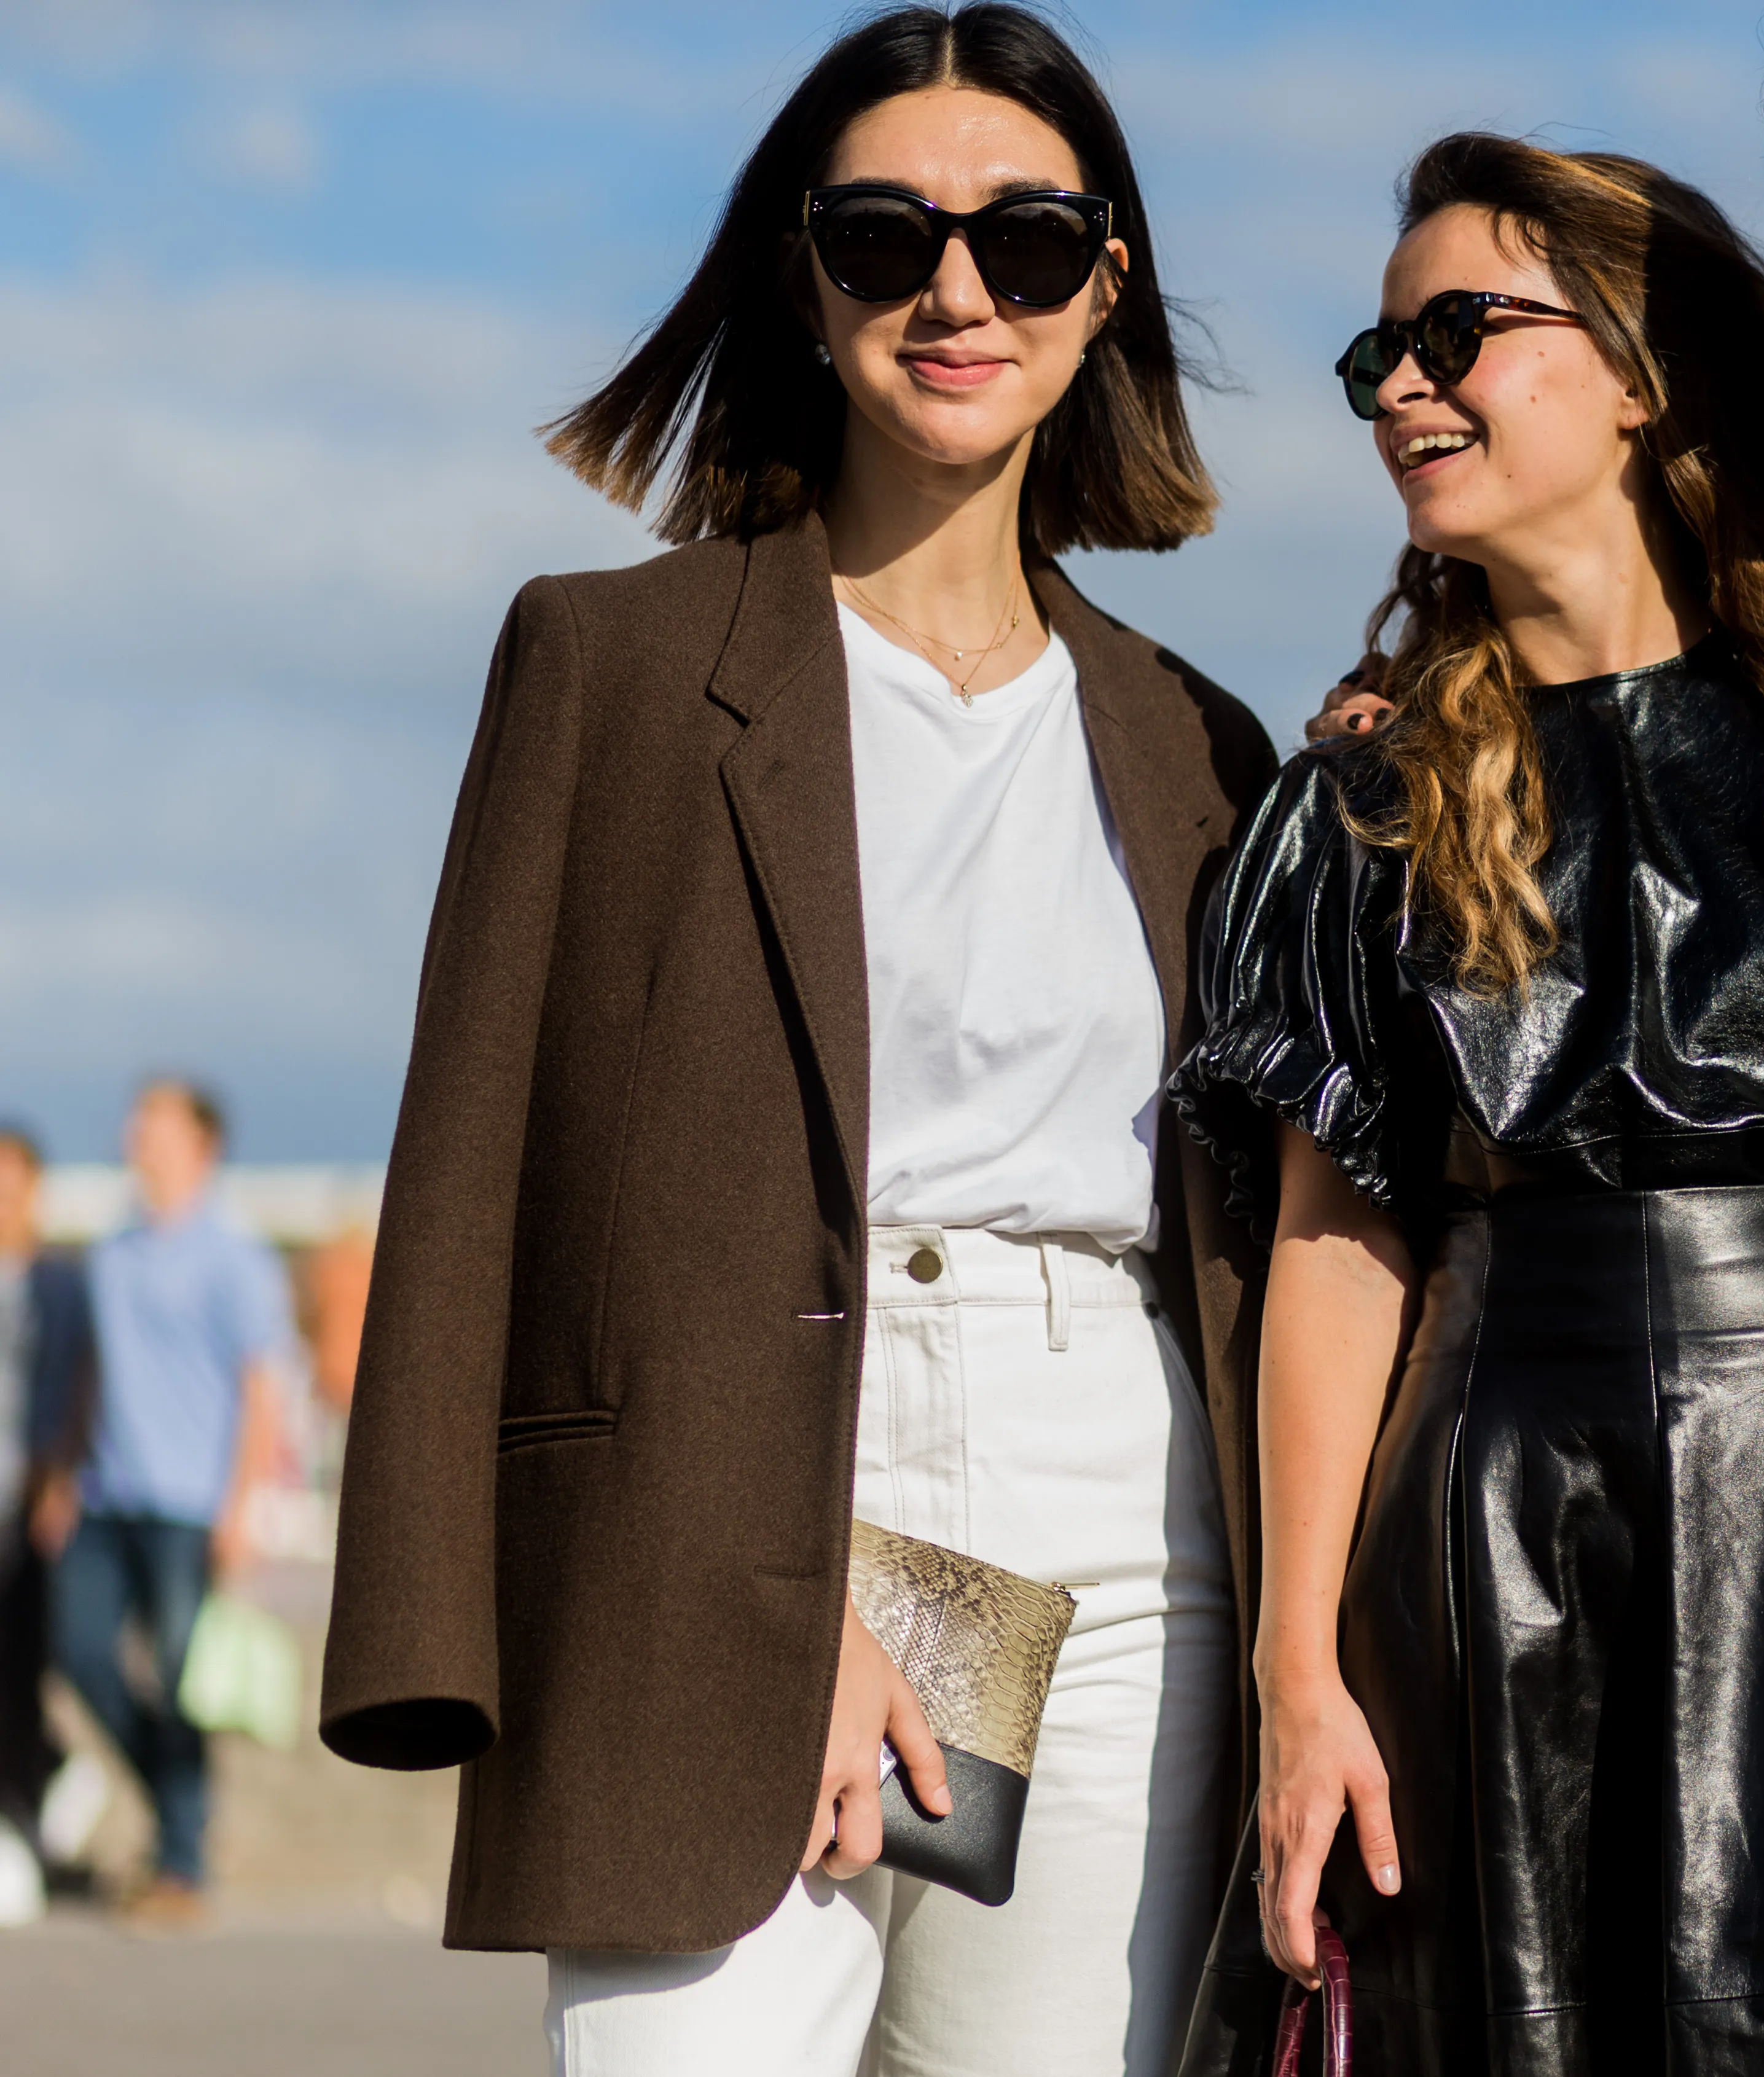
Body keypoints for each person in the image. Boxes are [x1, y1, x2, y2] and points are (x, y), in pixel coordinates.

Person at [316, 9, 1277, 2072]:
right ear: (801, 271)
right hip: (717, 1505)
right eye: (884, 237)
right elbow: (475, 1152)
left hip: (1117, 1517)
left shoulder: (1203, 744)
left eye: (1027, 242)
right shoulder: (613, 664)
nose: (958, 290)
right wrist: (457, 1621)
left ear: (1106, 288)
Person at [1173, 133, 1764, 2073]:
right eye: (1375, 357)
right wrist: (1298, 1674)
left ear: (1639, 365)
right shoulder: (1348, 806)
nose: (1404, 389)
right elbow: (1333, 1246)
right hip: (1477, 1491)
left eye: (1460, 329)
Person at [41, 1082, 294, 1928]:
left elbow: (263, 1389)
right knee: (79, 1653)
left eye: (153, 1117)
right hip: (106, 1495)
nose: (134, 1130)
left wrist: (241, 1508)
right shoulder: (109, 1252)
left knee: (186, 1680)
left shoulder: (234, 1256)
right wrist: (63, 1474)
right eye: (134, 1116)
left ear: (200, 1140)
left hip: (191, 1501)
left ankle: (181, 1864)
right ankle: (181, 1812)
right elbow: (89, 1377)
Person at [0, 1123, 95, 1909]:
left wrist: (62, 1479)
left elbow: (78, 1385)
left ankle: (31, 1824)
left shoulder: (61, 1282)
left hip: (27, 1501)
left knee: (22, 1666)